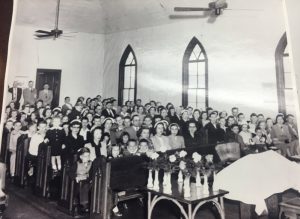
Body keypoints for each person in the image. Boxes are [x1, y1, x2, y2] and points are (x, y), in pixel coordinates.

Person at [70, 147, 92, 215]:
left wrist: (89, 178)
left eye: (88, 156)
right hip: (78, 183)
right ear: (81, 157)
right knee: (84, 186)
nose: (87, 158)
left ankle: (90, 205)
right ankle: (84, 205)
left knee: (90, 186)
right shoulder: (76, 164)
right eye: (85, 156)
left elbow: (91, 174)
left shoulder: (91, 163)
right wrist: (75, 177)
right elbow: (70, 173)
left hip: (87, 180)